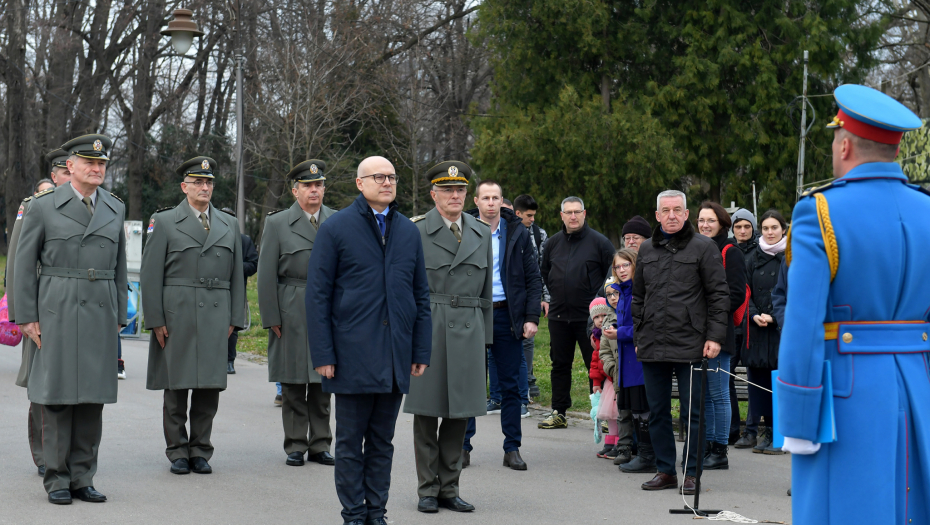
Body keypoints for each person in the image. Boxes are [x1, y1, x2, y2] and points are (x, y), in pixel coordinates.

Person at [777, 84, 930, 524]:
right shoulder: (925, 209)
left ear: (844, 145)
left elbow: (803, 324)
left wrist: (799, 417)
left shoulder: (819, 211)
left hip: (842, 396)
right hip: (917, 385)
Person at [305, 156, 431, 525]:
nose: (387, 182)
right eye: (379, 177)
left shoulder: (408, 231)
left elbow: (420, 295)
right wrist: (323, 353)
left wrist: (419, 348)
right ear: (360, 184)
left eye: (392, 177)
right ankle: (354, 514)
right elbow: (317, 296)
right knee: (348, 443)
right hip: (350, 355)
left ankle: (377, 513)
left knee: (382, 443)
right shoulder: (336, 228)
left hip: (394, 356)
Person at [15, 135, 127, 504]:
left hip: (99, 310)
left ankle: (83, 476)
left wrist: (119, 311)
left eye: (102, 164)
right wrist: (26, 317)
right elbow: (22, 266)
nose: (97, 169)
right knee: (57, 396)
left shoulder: (113, 207)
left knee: (92, 398)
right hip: (56, 308)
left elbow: (120, 267)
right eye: (89, 163)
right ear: (71, 167)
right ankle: (57, 477)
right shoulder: (43, 207)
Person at [141, 156, 246, 476]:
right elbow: (150, 274)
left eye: (209, 182)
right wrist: (155, 318)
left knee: (208, 387)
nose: (205, 187)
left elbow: (237, 275)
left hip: (216, 313)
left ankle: (201, 449)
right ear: (184, 186)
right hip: (178, 312)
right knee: (176, 385)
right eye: (198, 182)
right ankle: (177, 450)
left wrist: (235, 317)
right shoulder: (166, 221)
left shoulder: (229, 224)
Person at [403, 162, 492, 514]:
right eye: (447, 189)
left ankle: (449, 488)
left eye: (460, 189)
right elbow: (405, 288)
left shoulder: (481, 232)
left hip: (469, 330)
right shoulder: (415, 231)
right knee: (427, 413)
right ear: (433, 194)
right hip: (430, 325)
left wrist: (485, 337)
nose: (455, 195)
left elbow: (485, 293)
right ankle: (427, 488)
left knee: (460, 415)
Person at [632, 190, 728, 495]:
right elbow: (637, 297)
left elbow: (718, 295)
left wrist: (714, 336)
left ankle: (691, 474)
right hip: (652, 345)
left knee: (692, 414)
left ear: (686, 214)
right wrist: (638, 333)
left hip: (691, 343)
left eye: (677, 210)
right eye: (665, 210)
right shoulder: (646, 249)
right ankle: (665, 471)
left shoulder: (704, 247)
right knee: (658, 412)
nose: (671, 215)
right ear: (657, 215)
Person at [257, 160, 335, 467]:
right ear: (295, 190)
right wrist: (271, 316)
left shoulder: (337, 221)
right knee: (292, 382)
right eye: (307, 185)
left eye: (318, 185)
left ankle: (321, 443)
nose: (314, 190)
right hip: (290, 306)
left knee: (323, 380)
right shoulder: (278, 223)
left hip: (328, 308)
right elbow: (265, 275)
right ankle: (295, 444)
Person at [461, 180, 542, 472]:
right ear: (477, 201)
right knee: (469, 384)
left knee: (511, 386)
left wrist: (531, 317)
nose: (492, 203)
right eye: (486, 198)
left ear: (502, 201)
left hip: (506, 316)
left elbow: (533, 278)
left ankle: (512, 448)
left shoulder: (517, 232)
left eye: (496, 197)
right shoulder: (463, 229)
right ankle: (463, 447)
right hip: (472, 314)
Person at [7, 151, 67, 479]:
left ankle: (67, 452)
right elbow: (18, 263)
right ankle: (44, 453)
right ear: (57, 175)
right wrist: (22, 315)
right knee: (42, 384)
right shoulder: (35, 205)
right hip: (42, 310)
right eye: (66, 172)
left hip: (74, 312)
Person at [538, 196, 615, 429]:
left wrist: (597, 304)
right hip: (559, 316)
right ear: (561, 216)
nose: (573, 216)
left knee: (597, 366)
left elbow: (610, 276)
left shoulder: (600, 243)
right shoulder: (551, 244)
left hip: (590, 318)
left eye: (577, 212)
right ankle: (559, 411)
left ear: (584, 213)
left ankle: (603, 412)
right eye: (568, 212)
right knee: (559, 364)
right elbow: (545, 272)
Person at [696, 201, 746, 470]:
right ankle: (706, 445)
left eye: (710, 220)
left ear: (722, 224)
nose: (704, 225)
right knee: (704, 393)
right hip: (696, 331)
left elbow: (736, 293)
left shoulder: (730, 251)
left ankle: (719, 449)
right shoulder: (696, 248)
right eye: (701, 220)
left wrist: (709, 308)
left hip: (720, 330)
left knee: (718, 393)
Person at [600, 249, 651, 473]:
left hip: (639, 362)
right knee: (631, 410)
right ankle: (640, 453)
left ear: (635, 265)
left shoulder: (641, 291)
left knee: (643, 411)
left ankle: (649, 456)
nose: (621, 270)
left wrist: (619, 333)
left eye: (626, 265)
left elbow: (647, 326)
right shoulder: (621, 293)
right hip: (625, 364)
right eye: (617, 267)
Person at [743, 209, 787, 455]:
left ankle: (781, 433)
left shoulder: (792, 256)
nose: (770, 232)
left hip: (781, 329)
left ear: (783, 229)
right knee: (759, 384)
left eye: (775, 228)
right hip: (757, 330)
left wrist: (776, 316)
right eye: (766, 228)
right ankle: (767, 430)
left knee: (780, 381)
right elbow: (743, 291)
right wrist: (753, 314)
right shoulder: (752, 257)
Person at [512, 194, 549, 399]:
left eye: (534, 215)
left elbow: (544, 267)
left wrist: (545, 297)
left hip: (532, 294)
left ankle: (528, 381)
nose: (533, 219)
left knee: (528, 340)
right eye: (529, 215)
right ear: (518, 213)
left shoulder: (539, 234)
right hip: (513, 294)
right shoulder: (508, 232)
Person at [729, 207, 760, 447]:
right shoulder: (728, 251)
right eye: (738, 226)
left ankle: (752, 429)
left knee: (753, 377)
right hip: (733, 324)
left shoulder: (760, 252)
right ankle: (731, 428)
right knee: (726, 375)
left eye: (746, 226)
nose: (742, 231)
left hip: (754, 324)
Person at [222, 207, 258, 375]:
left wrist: (236, 267)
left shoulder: (244, 241)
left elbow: (254, 264)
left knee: (233, 325)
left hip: (236, 289)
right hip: (214, 288)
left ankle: (230, 360)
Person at [588, 296, 616, 459]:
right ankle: (610, 442)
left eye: (603, 316)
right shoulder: (596, 337)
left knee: (617, 414)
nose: (600, 320)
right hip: (606, 382)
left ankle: (620, 443)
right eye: (596, 317)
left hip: (614, 379)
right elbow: (595, 362)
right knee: (610, 415)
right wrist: (596, 382)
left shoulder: (610, 334)